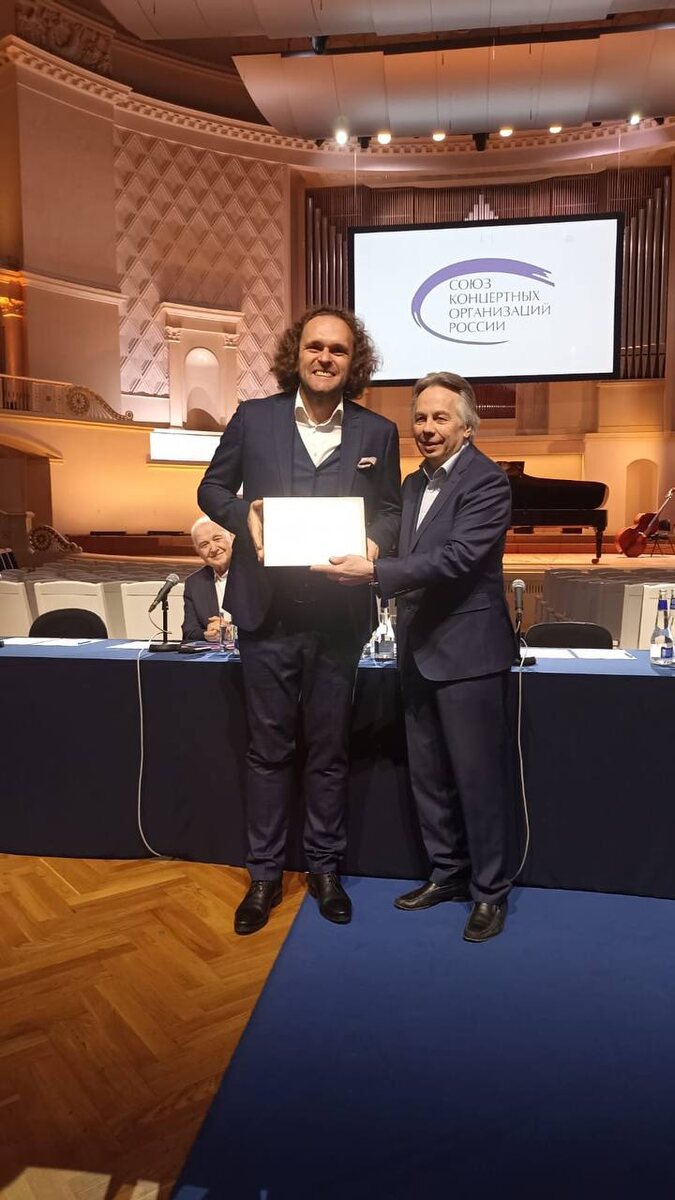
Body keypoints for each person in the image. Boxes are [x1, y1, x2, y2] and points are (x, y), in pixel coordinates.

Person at [197, 306, 401, 934]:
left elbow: (392, 511)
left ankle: (325, 870)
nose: (325, 358)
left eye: (338, 350)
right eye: (315, 346)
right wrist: (245, 519)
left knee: (330, 750)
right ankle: (263, 876)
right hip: (267, 616)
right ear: (297, 354)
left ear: (353, 362)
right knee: (267, 751)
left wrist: (373, 546)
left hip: (339, 618)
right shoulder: (253, 418)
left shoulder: (378, 432)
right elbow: (212, 488)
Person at [313, 371, 517, 943]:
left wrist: (374, 572)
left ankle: (490, 891)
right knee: (428, 776)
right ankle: (447, 873)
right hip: (418, 650)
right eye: (420, 417)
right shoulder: (410, 484)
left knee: (477, 780)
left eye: (440, 418)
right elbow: (403, 546)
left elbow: (457, 559)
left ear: (467, 426)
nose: (427, 428)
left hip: (469, 654)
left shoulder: (488, 482)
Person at [182, 517, 235, 643]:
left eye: (217, 539)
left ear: (232, 537)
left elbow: (271, 627)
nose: (213, 549)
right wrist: (207, 634)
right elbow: (189, 632)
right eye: (204, 545)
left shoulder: (256, 575)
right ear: (198, 552)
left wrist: (230, 630)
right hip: (214, 653)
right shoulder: (194, 583)